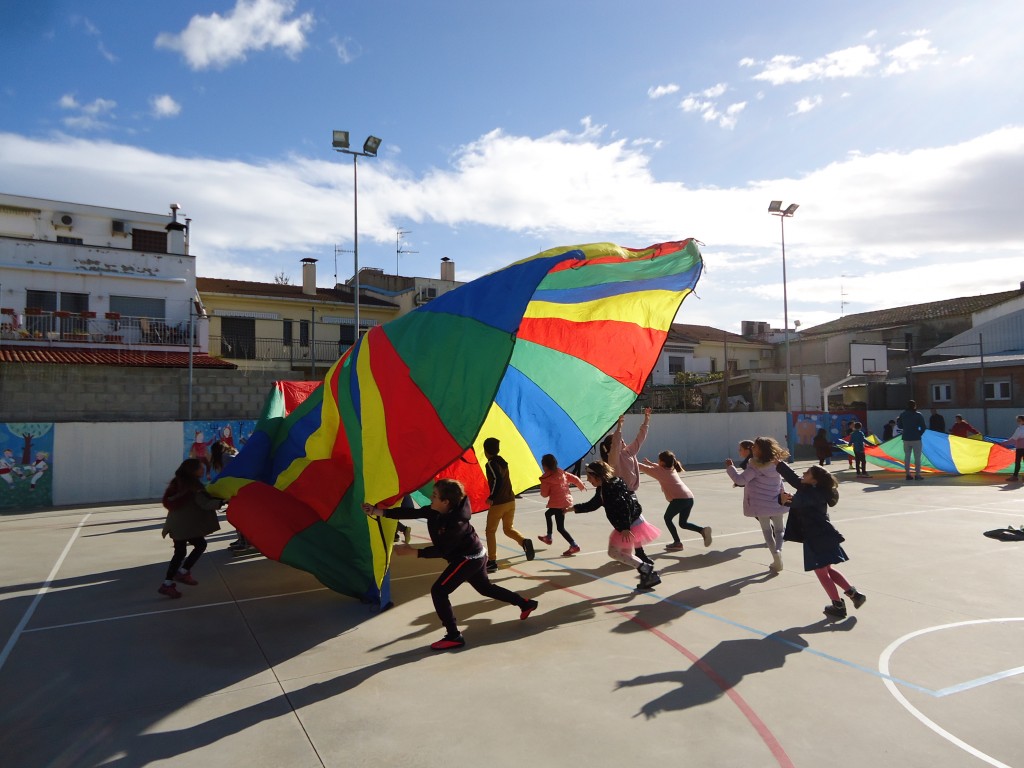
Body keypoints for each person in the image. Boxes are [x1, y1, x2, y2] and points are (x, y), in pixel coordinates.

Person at [363, 478, 538, 651]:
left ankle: (453, 636)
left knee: (439, 591)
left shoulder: (456, 522)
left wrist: (414, 552)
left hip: (469, 558)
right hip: (475, 554)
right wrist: (378, 511)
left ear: (446, 502)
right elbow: (411, 513)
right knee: (486, 589)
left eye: (434, 495)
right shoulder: (435, 511)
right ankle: (525, 603)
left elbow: (442, 550)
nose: (431, 497)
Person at [776, 462, 866, 619]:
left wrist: (784, 499)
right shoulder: (815, 489)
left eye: (807, 472)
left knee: (821, 572)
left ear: (814, 480)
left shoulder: (812, 493)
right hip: (825, 535)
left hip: (816, 537)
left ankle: (838, 606)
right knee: (827, 569)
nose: (804, 474)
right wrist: (779, 464)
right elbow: (795, 482)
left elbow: (799, 501)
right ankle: (854, 594)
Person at [573, 460, 662, 590]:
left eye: (589, 477)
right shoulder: (604, 488)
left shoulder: (611, 488)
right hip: (631, 522)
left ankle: (646, 570)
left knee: (613, 552)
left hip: (629, 524)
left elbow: (624, 505)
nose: (588, 480)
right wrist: (572, 508)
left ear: (598, 476)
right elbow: (593, 504)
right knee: (625, 553)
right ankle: (647, 574)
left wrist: (625, 527)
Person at [158, 458, 223, 598]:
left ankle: (168, 583)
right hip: (185, 527)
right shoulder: (194, 486)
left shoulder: (178, 482)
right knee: (200, 545)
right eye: (200, 468)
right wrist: (223, 501)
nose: (203, 469)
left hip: (176, 525)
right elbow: (205, 504)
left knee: (180, 553)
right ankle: (181, 573)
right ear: (192, 470)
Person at [725, 436, 788, 572]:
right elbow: (780, 482)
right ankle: (778, 550)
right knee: (779, 530)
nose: (752, 448)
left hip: (761, 505)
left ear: (760, 450)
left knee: (767, 531)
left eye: (755, 446)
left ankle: (776, 558)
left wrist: (730, 467)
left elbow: (740, 480)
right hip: (777, 501)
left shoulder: (755, 466)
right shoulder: (776, 464)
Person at [639, 450, 710, 552]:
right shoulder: (672, 469)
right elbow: (658, 467)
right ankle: (702, 530)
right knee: (683, 523)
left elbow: (641, 467)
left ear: (662, 462)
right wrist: (651, 463)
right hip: (689, 498)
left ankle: (677, 543)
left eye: (659, 460)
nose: (657, 461)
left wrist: (627, 457)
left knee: (667, 518)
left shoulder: (660, 472)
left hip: (679, 500)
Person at [482, 437, 533, 573]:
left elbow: (497, 479)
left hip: (499, 502)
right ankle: (524, 541)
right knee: (508, 528)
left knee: (490, 531)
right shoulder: (503, 462)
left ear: (486, 451)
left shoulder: (491, 464)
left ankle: (492, 561)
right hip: (510, 501)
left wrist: (492, 497)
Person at [537, 453, 585, 555]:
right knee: (548, 514)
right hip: (565, 501)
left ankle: (574, 545)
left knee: (560, 528)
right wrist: (580, 485)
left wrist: (545, 492)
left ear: (545, 466)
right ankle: (549, 536)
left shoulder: (546, 478)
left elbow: (544, 494)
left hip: (557, 503)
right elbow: (573, 478)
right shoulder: (561, 472)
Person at [601, 407, 651, 492]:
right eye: (620, 440)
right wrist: (619, 427)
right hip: (620, 492)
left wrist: (646, 421)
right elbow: (615, 445)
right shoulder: (613, 458)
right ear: (612, 445)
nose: (623, 441)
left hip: (631, 491)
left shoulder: (628, 451)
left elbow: (640, 439)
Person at [897, 399, 927, 481]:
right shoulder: (918, 415)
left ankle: (908, 474)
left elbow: (900, 426)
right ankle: (917, 474)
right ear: (915, 406)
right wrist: (919, 433)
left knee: (907, 457)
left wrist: (898, 420)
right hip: (916, 438)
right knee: (917, 457)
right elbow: (923, 427)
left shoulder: (903, 414)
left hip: (906, 438)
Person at [1005, 415, 1024, 482]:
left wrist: (1003, 443)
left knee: (1017, 462)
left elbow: (1014, 439)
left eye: (1019, 420)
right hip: (1020, 448)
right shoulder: (1020, 429)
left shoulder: (1020, 429)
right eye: (1017, 421)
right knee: (1018, 462)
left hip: (1020, 448)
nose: (1018, 422)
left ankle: (1015, 476)